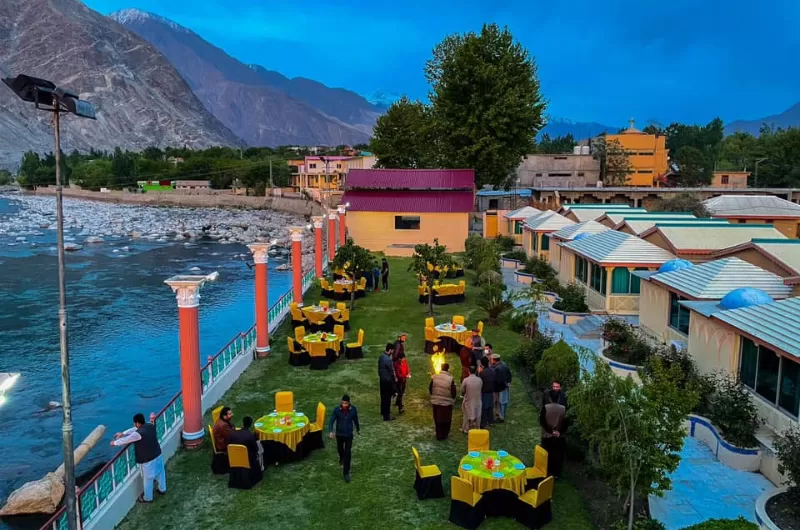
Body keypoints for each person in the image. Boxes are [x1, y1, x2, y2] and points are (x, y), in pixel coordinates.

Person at [111, 413, 166, 503]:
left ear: (137, 423)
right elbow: (134, 430)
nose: (134, 425)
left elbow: (127, 439)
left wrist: (114, 443)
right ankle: (162, 489)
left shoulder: (138, 434)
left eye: (134, 423)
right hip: (158, 454)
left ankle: (148, 498)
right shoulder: (150, 425)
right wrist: (123, 433)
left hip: (148, 460)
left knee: (148, 479)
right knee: (161, 473)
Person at [328, 394, 360, 483]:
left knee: (348, 452)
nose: (344, 405)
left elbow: (356, 420)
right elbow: (331, 421)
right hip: (340, 434)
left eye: (346, 403)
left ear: (349, 403)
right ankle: (341, 457)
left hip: (349, 434)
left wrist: (358, 429)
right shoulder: (337, 410)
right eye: (342, 403)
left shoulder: (353, 410)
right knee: (340, 448)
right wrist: (330, 431)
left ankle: (346, 472)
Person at [540, 389, 567, 478]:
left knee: (547, 454)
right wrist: (558, 432)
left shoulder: (546, 407)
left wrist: (551, 431)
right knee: (558, 455)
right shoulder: (563, 409)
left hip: (547, 436)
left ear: (550, 398)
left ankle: (546, 472)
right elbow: (565, 422)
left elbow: (542, 421)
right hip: (559, 437)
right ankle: (556, 474)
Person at [429, 363, 457, 440]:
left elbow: (430, 388)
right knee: (446, 420)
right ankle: (445, 434)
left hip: (436, 402)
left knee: (437, 419)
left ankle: (439, 434)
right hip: (446, 403)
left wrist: (434, 396)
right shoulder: (450, 379)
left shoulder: (434, 377)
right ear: (448, 369)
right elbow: (453, 392)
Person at [460, 367, 483, 433]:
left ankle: (466, 429)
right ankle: (477, 428)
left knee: (466, 415)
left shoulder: (466, 380)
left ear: (469, 372)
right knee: (477, 414)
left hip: (469, 400)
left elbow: (462, 390)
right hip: (477, 399)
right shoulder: (479, 380)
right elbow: (481, 387)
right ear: (475, 372)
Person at [491, 354, 512, 422]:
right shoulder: (504, 365)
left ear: (494, 360)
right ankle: (503, 415)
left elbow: (498, 381)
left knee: (500, 403)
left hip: (499, 389)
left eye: (491, 360)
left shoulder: (497, 369)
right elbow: (509, 375)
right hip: (505, 386)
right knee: (504, 402)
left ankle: (501, 417)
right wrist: (508, 383)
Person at [378, 343, 396, 421]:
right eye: (392, 350)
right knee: (387, 399)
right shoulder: (388, 360)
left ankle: (383, 411)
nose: (393, 352)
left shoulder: (381, 357)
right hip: (387, 381)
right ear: (390, 350)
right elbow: (391, 371)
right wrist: (394, 379)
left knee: (383, 397)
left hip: (382, 380)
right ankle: (387, 416)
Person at [478, 357, 495, 428]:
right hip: (491, 391)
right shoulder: (492, 370)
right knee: (490, 407)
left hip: (484, 392)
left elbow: (480, 382)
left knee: (484, 408)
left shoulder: (482, 373)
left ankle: (483, 423)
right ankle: (491, 421)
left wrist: (479, 373)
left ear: (482, 363)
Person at [394, 348, 411, 414]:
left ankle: (397, 402)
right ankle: (400, 408)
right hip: (399, 381)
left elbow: (407, 368)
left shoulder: (405, 362)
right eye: (402, 359)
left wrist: (408, 373)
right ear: (399, 358)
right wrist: (405, 376)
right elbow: (398, 374)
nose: (403, 360)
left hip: (404, 380)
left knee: (402, 392)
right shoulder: (396, 364)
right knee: (400, 393)